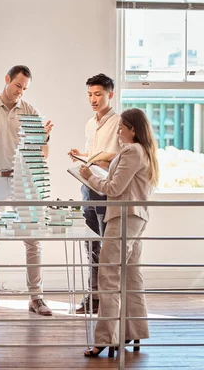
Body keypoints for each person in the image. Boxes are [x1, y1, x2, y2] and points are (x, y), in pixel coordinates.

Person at [0, 65, 54, 316]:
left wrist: (42, 139)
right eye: (18, 86)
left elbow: (43, 156)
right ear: (7, 79)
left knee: (33, 238)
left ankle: (36, 298)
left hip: (22, 181)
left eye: (25, 88)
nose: (20, 92)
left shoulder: (29, 111)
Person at [80, 108, 159, 357]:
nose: (118, 131)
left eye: (122, 127)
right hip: (136, 217)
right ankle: (132, 332)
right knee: (131, 276)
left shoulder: (132, 151)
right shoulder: (143, 152)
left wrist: (88, 176)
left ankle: (105, 339)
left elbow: (113, 188)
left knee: (108, 276)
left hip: (123, 218)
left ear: (133, 129)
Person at [68, 73, 122, 314]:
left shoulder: (120, 123)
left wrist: (98, 160)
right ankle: (93, 297)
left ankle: (105, 300)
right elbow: (94, 154)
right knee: (90, 246)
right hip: (87, 188)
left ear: (110, 95)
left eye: (98, 94)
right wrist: (83, 155)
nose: (93, 99)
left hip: (106, 191)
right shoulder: (90, 124)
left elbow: (120, 158)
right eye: (90, 94)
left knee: (105, 246)